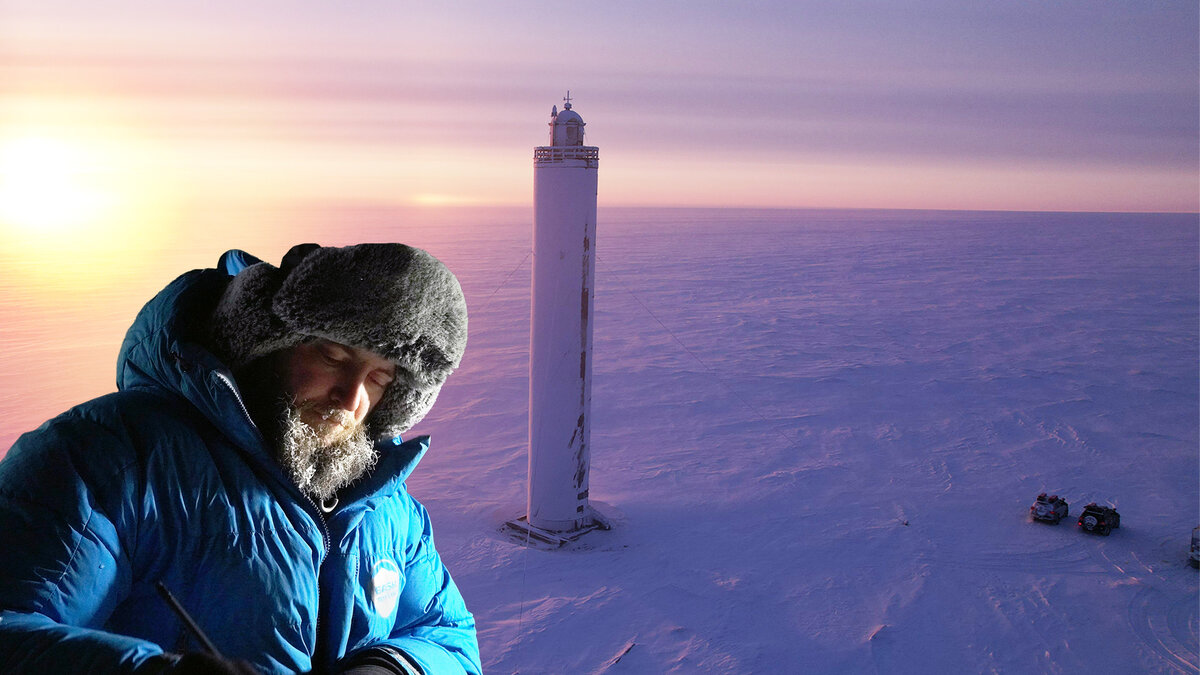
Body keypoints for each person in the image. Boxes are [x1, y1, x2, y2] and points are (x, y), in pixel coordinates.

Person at [0, 243, 481, 674]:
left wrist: (390, 668)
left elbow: (449, 635)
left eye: (379, 377)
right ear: (266, 344)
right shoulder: (107, 458)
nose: (351, 397)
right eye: (334, 357)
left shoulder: (387, 508)